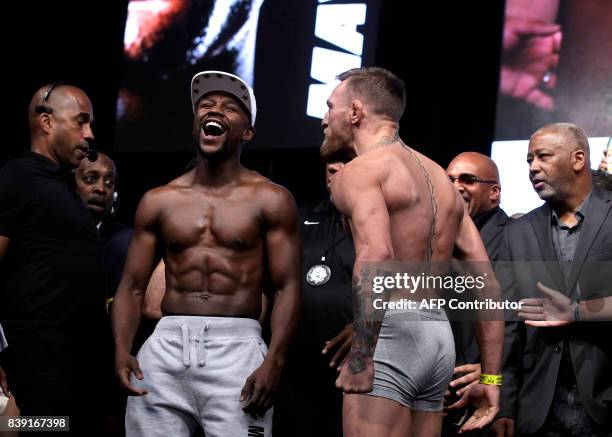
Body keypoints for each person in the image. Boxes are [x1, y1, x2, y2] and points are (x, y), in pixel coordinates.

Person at [112, 70, 301, 437]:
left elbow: (287, 286)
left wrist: (275, 360)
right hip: (165, 345)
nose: (215, 110)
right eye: (206, 105)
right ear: (196, 122)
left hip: (237, 348)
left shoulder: (271, 199)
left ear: (248, 132)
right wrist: (121, 349)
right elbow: (132, 285)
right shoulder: (159, 200)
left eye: (230, 107)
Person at [320, 66, 504, 437]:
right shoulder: (440, 179)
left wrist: (361, 356)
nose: (325, 119)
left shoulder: (359, 173)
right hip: (436, 337)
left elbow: (377, 255)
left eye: (330, 107)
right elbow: (487, 284)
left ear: (355, 112)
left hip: (390, 334)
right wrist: (491, 378)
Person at [0, 83, 106, 434]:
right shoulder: (16, 177)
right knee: (41, 430)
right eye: (81, 122)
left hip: (72, 367)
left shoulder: (62, 187)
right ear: (46, 122)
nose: (90, 134)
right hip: (36, 364)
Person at [494, 123, 612, 436]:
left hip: (605, 401)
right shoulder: (518, 232)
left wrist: (577, 311)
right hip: (538, 408)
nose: (533, 167)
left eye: (543, 157)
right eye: (529, 160)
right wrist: (504, 400)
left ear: (578, 159)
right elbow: (507, 322)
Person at [274, 152, 356, 437]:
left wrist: (368, 325)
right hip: (298, 364)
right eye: (330, 165)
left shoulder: (379, 223)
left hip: (353, 364)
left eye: (344, 162)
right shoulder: (301, 216)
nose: (333, 169)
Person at [444, 152, 511, 434]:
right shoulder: (437, 239)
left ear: (494, 192)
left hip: (488, 395)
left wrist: (493, 374)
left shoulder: (516, 236)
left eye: (468, 180)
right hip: (438, 391)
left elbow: (527, 323)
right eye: (450, 180)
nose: (457, 186)